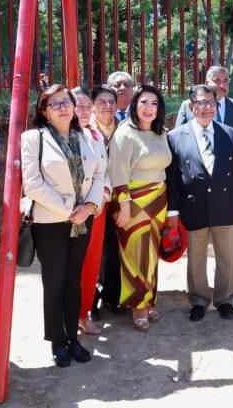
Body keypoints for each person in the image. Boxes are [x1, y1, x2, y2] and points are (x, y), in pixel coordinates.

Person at [20, 85, 106, 367]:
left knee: (74, 282)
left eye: (66, 102)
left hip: (83, 220)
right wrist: (71, 210)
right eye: (54, 104)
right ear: (44, 111)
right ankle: (57, 342)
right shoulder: (34, 138)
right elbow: (32, 184)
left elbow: (99, 175)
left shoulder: (86, 135)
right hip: (52, 222)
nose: (63, 108)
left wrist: (90, 207)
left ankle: (73, 338)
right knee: (54, 283)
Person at [166, 84, 233, 321]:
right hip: (193, 205)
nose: (207, 108)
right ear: (191, 106)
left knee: (227, 256)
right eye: (202, 103)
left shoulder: (229, 133)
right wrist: (172, 209)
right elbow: (172, 177)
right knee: (196, 257)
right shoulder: (175, 136)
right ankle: (199, 300)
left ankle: (224, 299)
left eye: (211, 103)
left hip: (226, 203)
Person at [109, 85, 172, 332]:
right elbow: (118, 172)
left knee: (151, 255)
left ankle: (148, 299)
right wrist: (123, 206)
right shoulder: (125, 133)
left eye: (154, 104)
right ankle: (137, 306)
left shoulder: (161, 132)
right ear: (134, 104)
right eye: (144, 102)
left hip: (158, 200)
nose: (149, 108)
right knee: (134, 254)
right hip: (132, 201)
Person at [71, 87, 112, 335]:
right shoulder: (57, 136)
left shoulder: (96, 135)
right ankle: (67, 315)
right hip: (67, 212)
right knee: (69, 266)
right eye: (78, 105)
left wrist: (103, 195)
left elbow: (104, 171)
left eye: (88, 106)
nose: (83, 110)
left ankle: (84, 313)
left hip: (95, 210)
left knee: (90, 264)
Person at [100, 72, 133, 311]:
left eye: (126, 85)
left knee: (132, 246)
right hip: (104, 194)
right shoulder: (97, 120)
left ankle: (133, 293)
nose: (122, 88)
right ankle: (110, 294)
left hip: (134, 192)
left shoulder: (142, 114)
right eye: (116, 85)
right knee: (108, 248)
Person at [176, 65, 233, 150]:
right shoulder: (188, 106)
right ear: (207, 83)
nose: (221, 85)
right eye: (216, 80)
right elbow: (179, 138)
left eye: (225, 81)